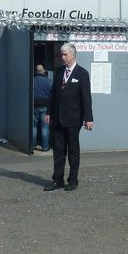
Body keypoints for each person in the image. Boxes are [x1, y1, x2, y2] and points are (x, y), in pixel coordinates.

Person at [44, 43, 93, 191]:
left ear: (73, 55)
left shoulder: (82, 73)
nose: (63, 57)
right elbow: (53, 94)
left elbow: (86, 98)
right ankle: (57, 179)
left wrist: (88, 118)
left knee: (72, 151)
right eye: (61, 55)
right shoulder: (59, 72)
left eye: (65, 55)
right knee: (58, 151)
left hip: (73, 119)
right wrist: (48, 112)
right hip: (58, 118)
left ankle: (73, 180)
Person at [33, 63, 52, 153]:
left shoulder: (32, 81)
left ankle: (32, 146)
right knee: (45, 128)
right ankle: (45, 147)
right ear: (44, 71)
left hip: (34, 106)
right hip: (45, 107)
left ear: (36, 71)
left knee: (33, 127)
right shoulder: (49, 81)